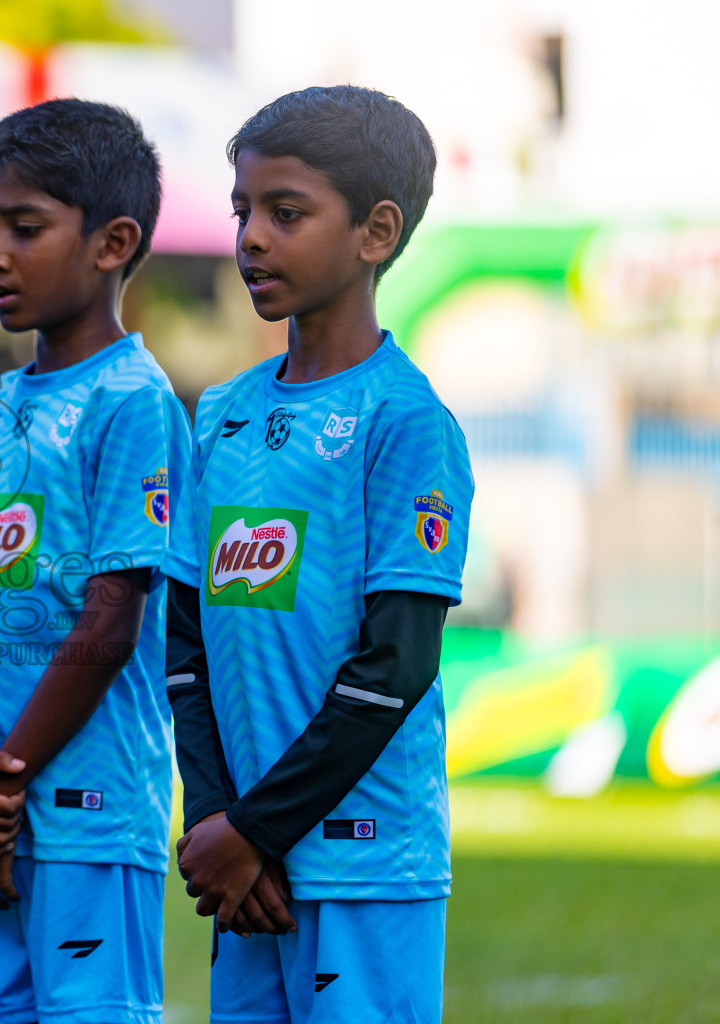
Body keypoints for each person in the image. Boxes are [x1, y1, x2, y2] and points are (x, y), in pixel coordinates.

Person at [166, 85, 474, 1024]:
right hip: (246, 863)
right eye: (243, 211)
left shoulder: (406, 422)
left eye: (286, 213)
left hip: (365, 862)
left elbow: (396, 665)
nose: (251, 237)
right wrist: (221, 824)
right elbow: (186, 651)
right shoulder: (218, 413)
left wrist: (259, 827)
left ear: (376, 231)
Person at [0, 98, 191, 1024]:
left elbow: (112, 621)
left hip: (88, 810)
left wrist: (3, 782)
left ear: (113, 243)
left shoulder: (133, 402)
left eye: (24, 227)